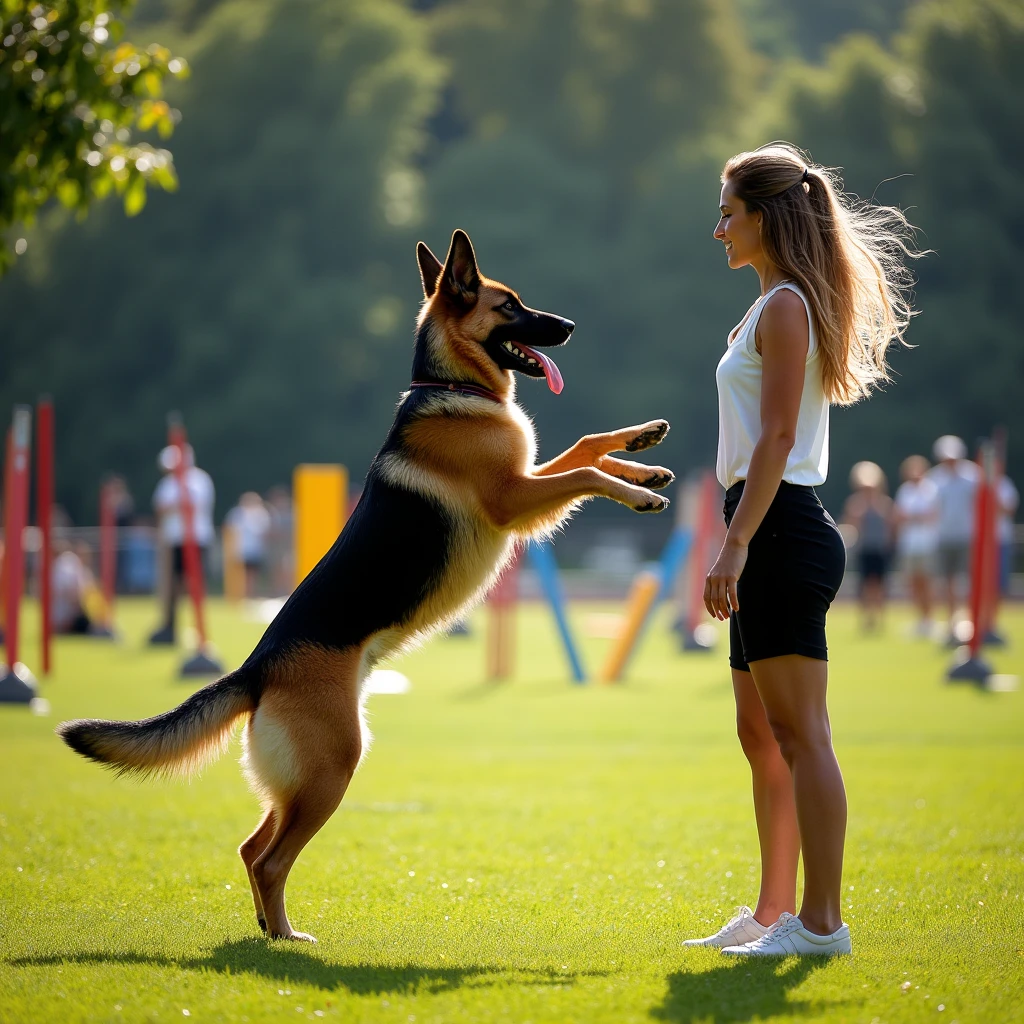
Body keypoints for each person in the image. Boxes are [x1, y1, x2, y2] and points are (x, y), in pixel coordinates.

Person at [688, 143, 916, 957]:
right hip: (760, 523)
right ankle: (772, 911)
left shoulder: (785, 306)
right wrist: (733, 536)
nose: (718, 229)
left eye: (728, 213)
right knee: (761, 735)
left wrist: (735, 545)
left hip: (778, 529)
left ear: (765, 217)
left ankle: (822, 925)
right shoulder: (763, 308)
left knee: (801, 734)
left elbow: (780, 437)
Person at [148, 443, 215, 645]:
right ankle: (170, 625)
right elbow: (160, 508)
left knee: (193, 583)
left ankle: (198, 628)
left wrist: (174, 506)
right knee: (172, 585)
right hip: (173, 540)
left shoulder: (199, 480)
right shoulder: (168, 483)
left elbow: (192, 505)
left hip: (196, 539)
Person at [927, 435, 979, 639]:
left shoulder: (972, 476)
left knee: (966, 580)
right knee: (947, 581)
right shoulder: (935, 478)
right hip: (944, 536)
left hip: (967, 535)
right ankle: (952, 621)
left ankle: (970, 621)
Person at [842, 461, 894, 632]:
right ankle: (865, 620)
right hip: (864, 549)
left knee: (880, 585)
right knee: (864, 586)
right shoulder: (855, 503)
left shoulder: (884, 503)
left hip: (880, 550)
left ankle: (879, 619)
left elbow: (891, 525)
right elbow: (851, 523)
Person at [893, 454, 939, 637]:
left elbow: (932, 515)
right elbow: (899, 516)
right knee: (913, 583)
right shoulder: (905, 491)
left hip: (927, 544)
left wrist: (913, 517)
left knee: (927, 582)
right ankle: (921, 619)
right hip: (909, 544)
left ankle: (929, 619)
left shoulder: (931, 489)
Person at [225, 492, 272, 598]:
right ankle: (241, 594)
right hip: (241, 549)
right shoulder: (238, 513)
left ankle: (250, 594)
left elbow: (265, 531)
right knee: (242, 573)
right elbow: (231, 529)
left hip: (255, 549)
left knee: (252, 573)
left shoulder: (261, 514)